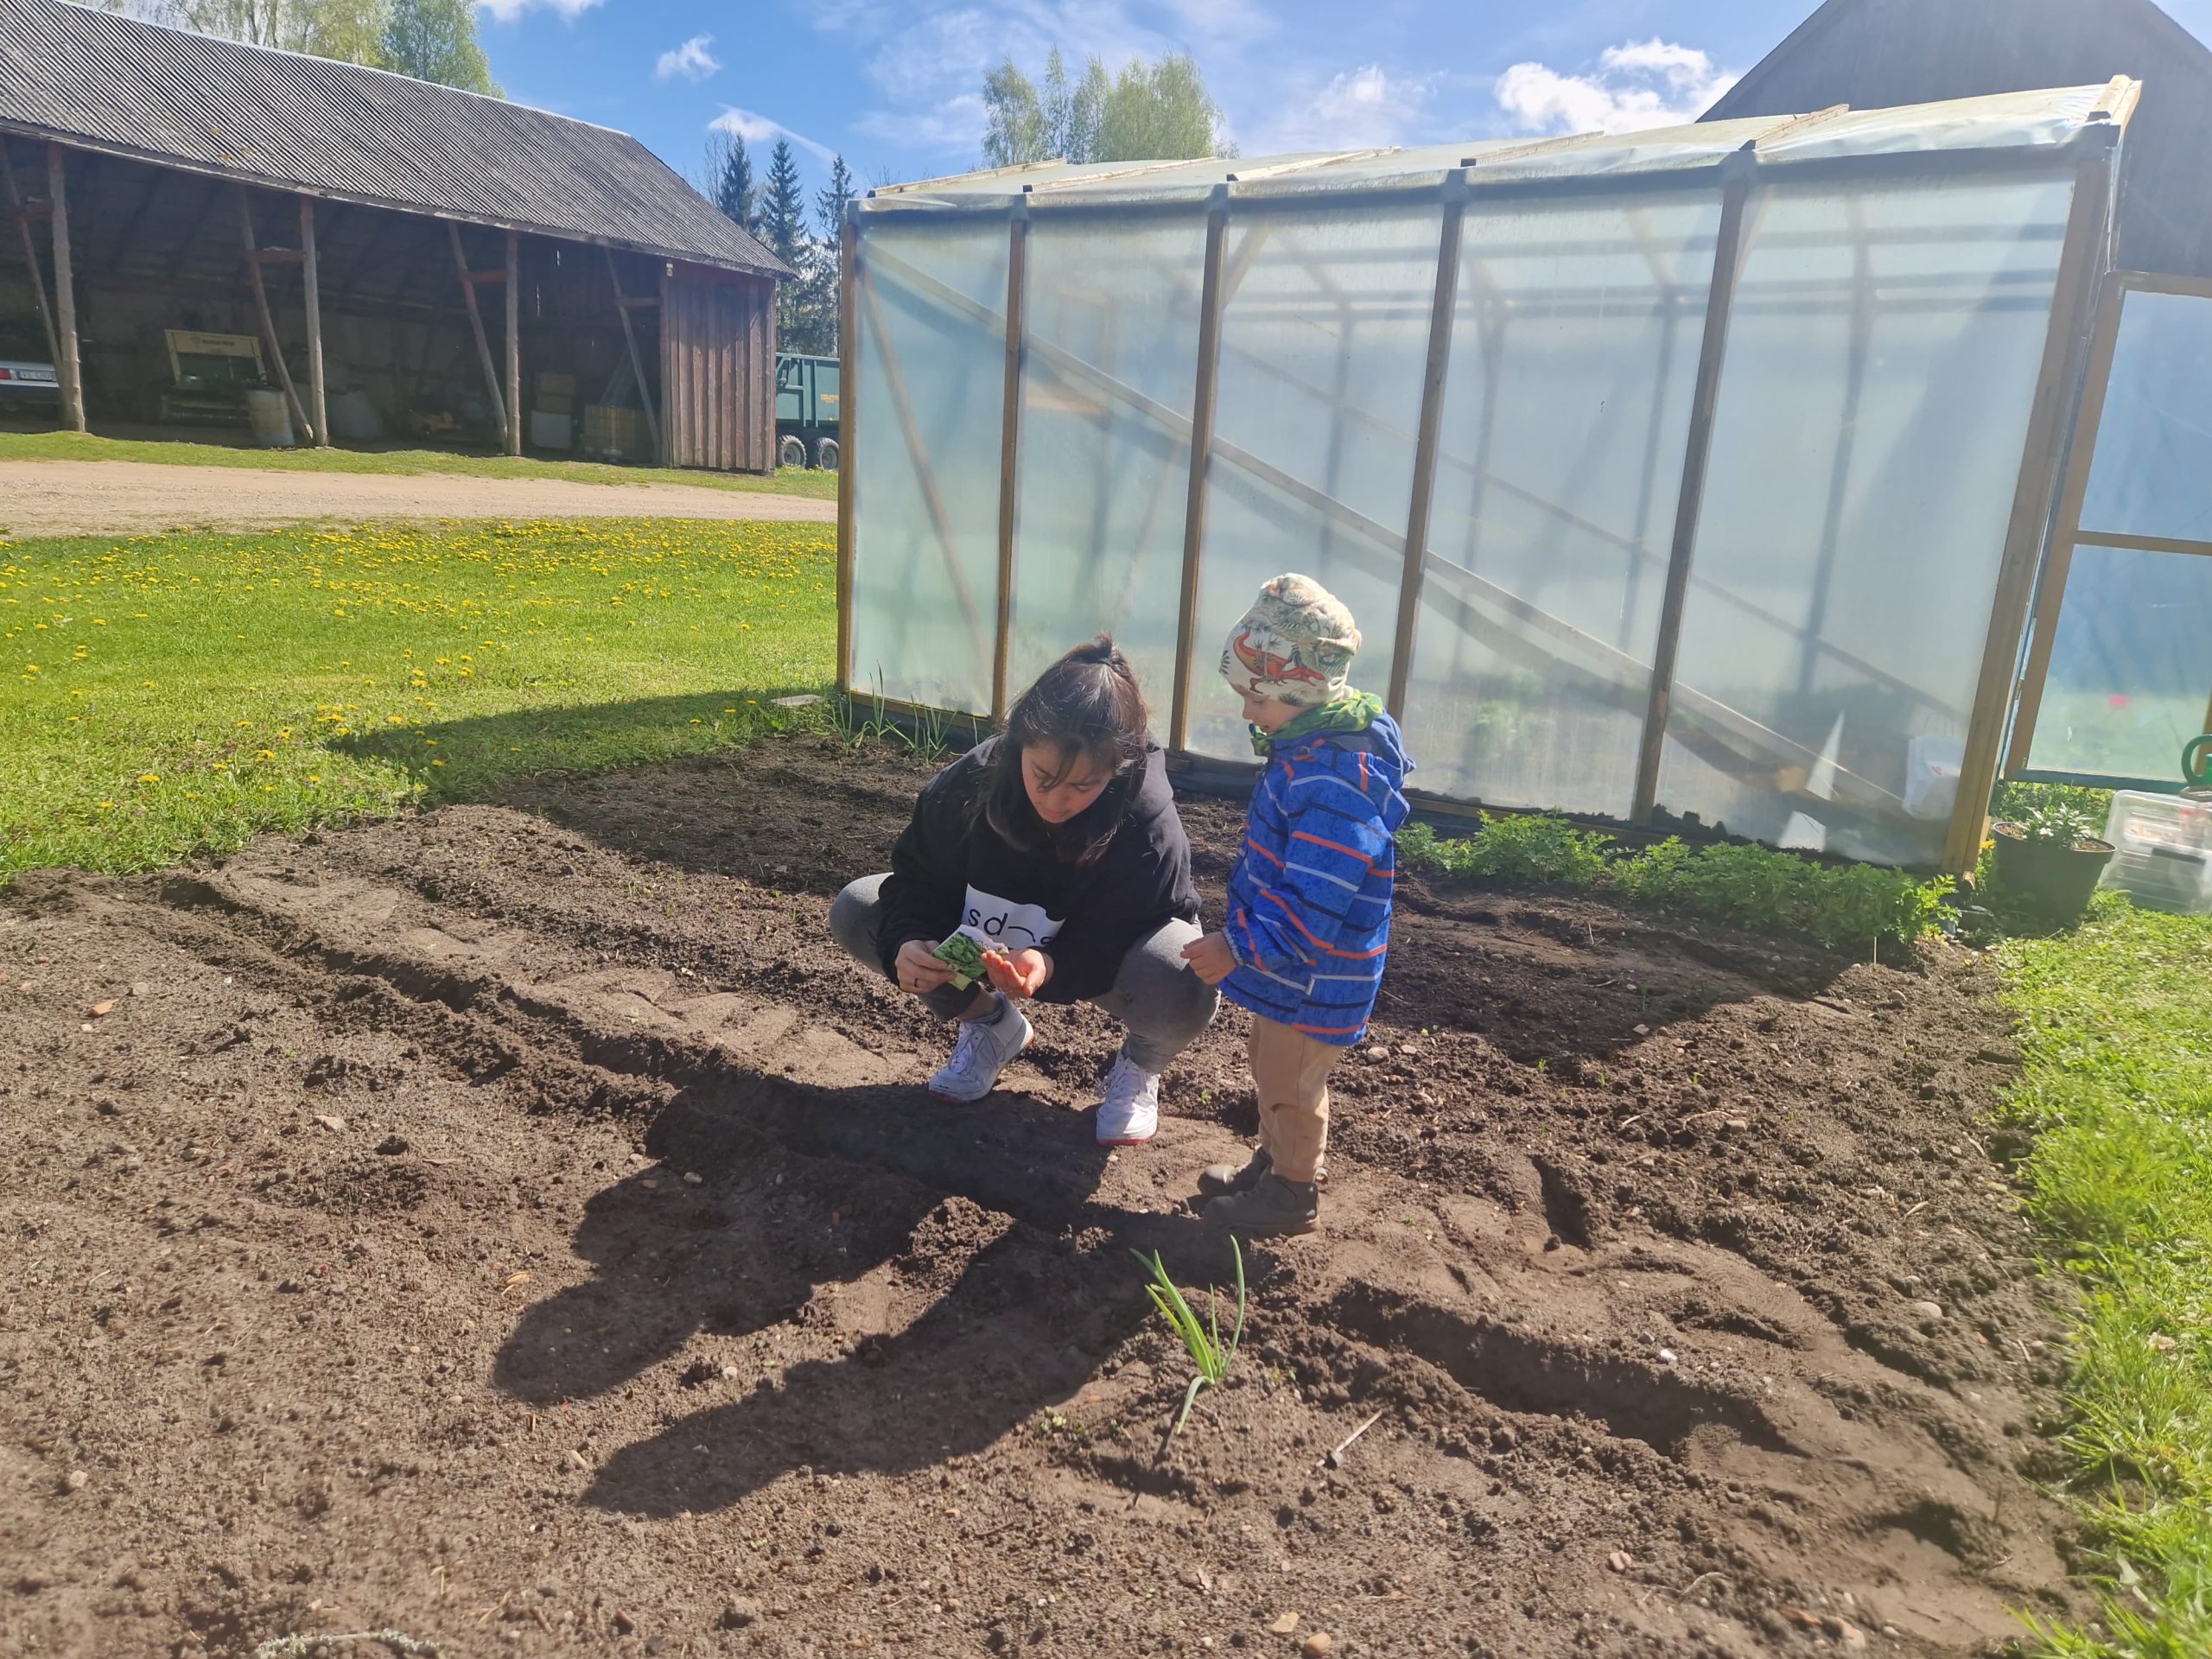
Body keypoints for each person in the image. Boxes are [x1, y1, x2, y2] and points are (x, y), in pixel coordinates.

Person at [829, 639, 1218, 1145]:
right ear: (1019, 744)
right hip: (988, 940)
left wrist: (1050, 964)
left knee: (1184, 970)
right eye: (1043, 776)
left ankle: (1140, 1068)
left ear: (1116, 768)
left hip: (1102, 956)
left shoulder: (1146, 824)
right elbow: (917, 878)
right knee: (859, 910)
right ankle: (990, 1025)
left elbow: (1118, 933)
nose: (1057, 801)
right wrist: (908, 938)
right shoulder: (968, 783)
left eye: (1083, 786)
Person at [1180, 574, 1413, 1236]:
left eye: (1257, 698)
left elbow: (1316, 898)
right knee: (1271, 1066)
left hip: (1316, 973)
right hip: (1295, 971)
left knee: (1291, 1081)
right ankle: (1275, 1163)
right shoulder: (1311, 751)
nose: (1248, 714)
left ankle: (1291, 1193)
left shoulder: (1333, 781)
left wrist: (1239, 945)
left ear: (1301, 690)